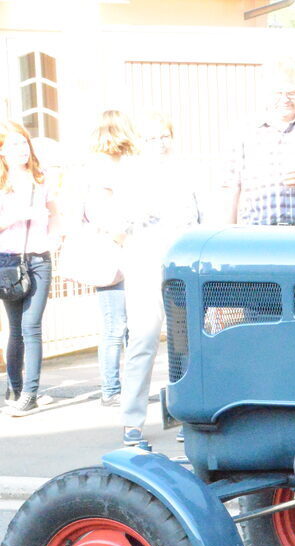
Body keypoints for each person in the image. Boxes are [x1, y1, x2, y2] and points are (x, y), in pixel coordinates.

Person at [116, 113, 200, 446]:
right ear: (140, 143)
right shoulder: (129, 176)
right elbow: (116, 224)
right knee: (143, 339)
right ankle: (131, 419)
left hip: (179, 265)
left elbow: (200, 217)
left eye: (164, 136)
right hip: (144, 262)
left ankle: (185, 414)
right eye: (151, 138)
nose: (159, 144)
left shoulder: (185, 173)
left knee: (184, 343)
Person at [1, 122, 61, 416]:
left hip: (38, 259)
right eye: (13, 144)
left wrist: (54, 239)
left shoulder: (41, 178)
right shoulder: (2, 182)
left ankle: (30, 393)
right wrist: (20, 214)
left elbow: (56, 214)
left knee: (31, 326)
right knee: (15, 329)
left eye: (24, 142)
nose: (21, 149)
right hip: (8, 261)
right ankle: (15, 387)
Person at [82, 110, 141, 408]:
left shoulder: (106, 165)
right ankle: (112, 389)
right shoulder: (105, 168)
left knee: (123, 325)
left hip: (121, 249)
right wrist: (123, 237)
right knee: (117, 325)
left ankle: (122, 387)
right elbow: (100, 214)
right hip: (115, 250)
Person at [222, 58, 295, 226]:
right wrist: (226, 235)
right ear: (265, 92)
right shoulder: (244, 131)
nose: (285, 99)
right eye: (278, 93)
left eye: (291, 93)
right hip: (258, 233)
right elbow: (230, 188)